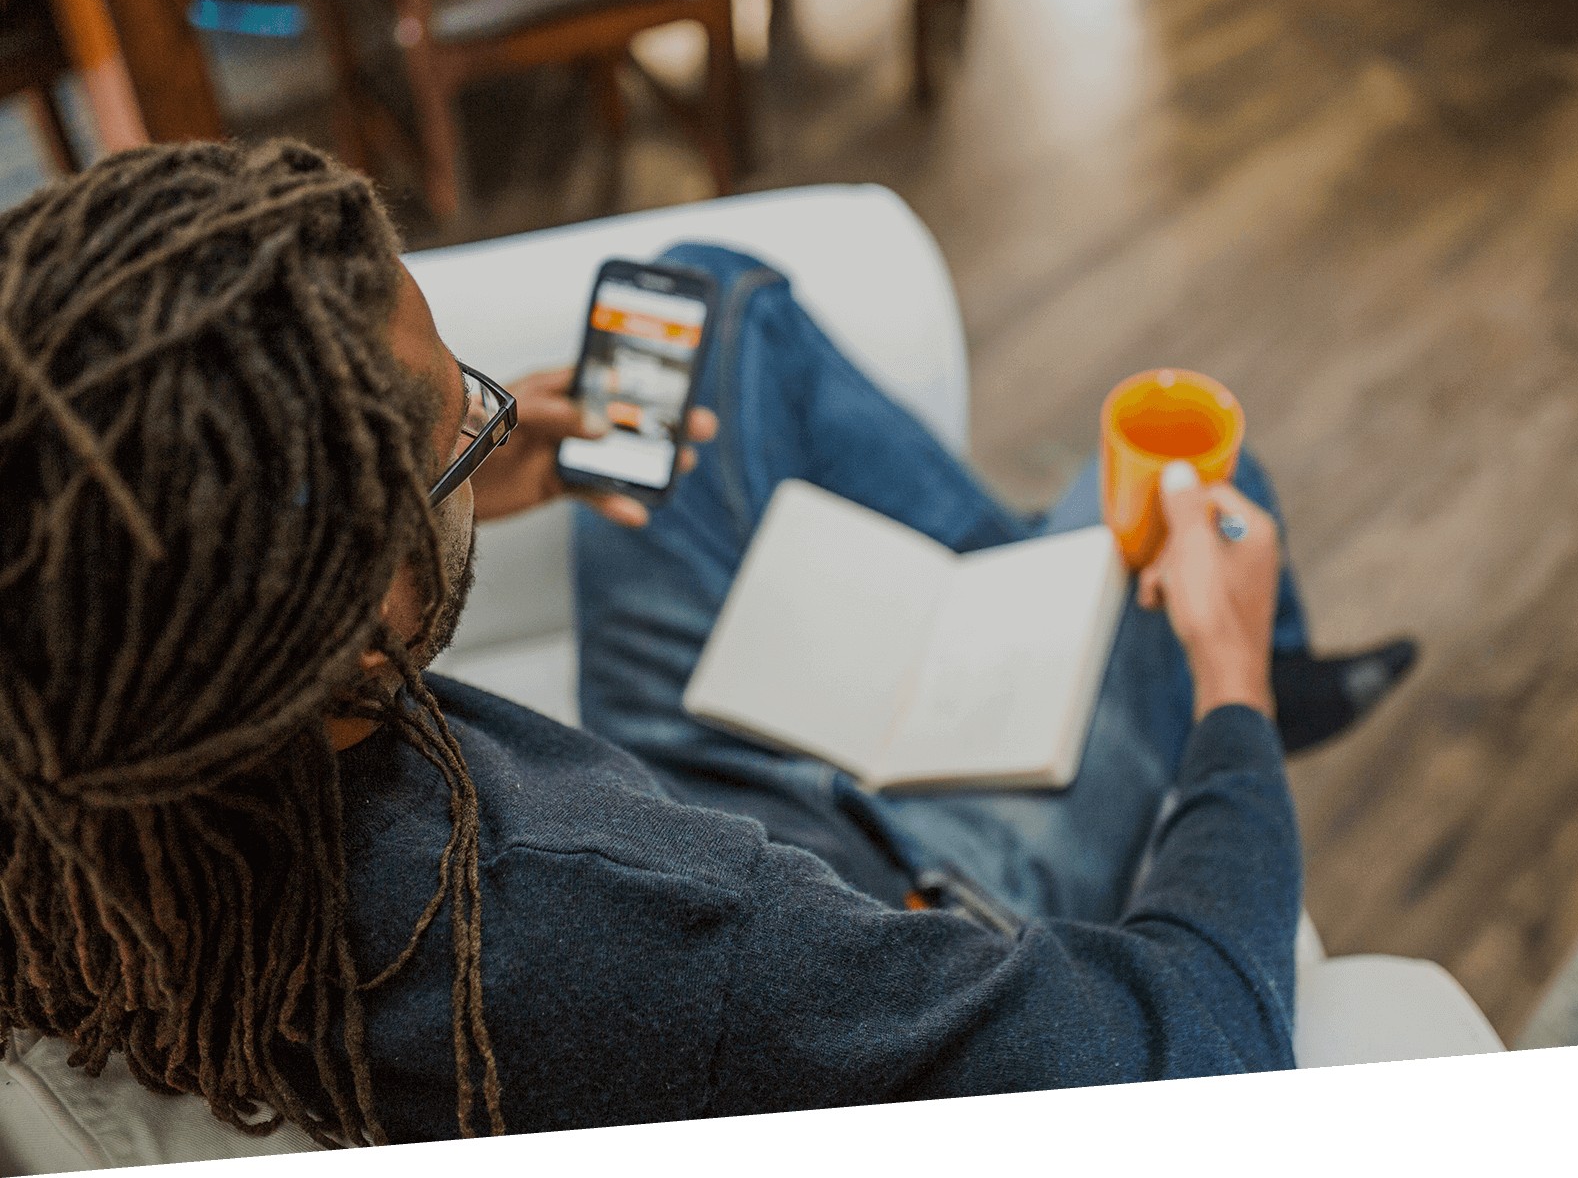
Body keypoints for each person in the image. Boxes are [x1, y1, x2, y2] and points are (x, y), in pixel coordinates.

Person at [0, 140, 1414, 1147]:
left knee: (697, 300)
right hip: (870, 883)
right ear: (344, 609)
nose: (501, 414)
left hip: (643, 780)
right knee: (1222, 512)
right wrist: (1226, 697)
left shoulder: (70, 726)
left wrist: (457, 491)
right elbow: (1191, 1034)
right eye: (460, 423)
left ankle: (1023, 595)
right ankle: (1196, 653)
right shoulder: (644, 944)